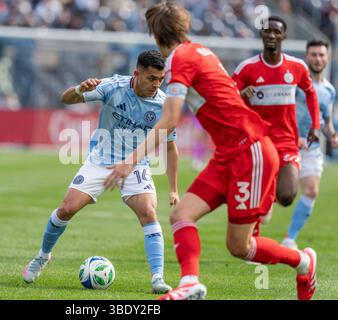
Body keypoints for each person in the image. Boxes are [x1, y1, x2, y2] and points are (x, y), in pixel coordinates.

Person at [104, 1, 317, 300]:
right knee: (181, 215)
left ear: (156, 34)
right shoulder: (199, 50)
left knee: (240, 246)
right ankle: (190, 282)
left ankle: (304, 261)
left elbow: (171, 117)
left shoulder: (182, 58)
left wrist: (130, 161)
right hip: (230, 153)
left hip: (250, 151)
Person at [22, 50, 179, 294]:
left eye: (160, 79)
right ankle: (42, 257)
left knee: (148, 213)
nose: (156, 84)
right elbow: (65, 98)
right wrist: (79, 90)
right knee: (66, 209)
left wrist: (174, 189)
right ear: (137, 73)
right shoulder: (112, 86)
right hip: (101, 161)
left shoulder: (163, 105)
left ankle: (157, 277)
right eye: (151, 78)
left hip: (136, 165)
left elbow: (171, 148)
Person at [232, 16, 321, 210]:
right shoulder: (247, 68)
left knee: (287, 195)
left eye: (276, 32)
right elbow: (227, 98)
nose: (271, 35)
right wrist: (241, 93)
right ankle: (255, 227)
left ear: (284, 36)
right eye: (267, 31)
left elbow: (311, 93)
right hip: (258, 143)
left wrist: (315, 125)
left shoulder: (296, 66)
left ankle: (263, 204)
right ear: (261, 34)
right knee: (254, 204)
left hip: (287, 142)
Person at [282, 40, 338, 249]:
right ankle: (251, 236)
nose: (318, 59)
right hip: (287, 144)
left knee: (311, 191)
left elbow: (325, 118)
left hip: (311, 149)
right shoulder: (296, 82)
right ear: (307, 57)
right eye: (313, 55)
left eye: (321, 55)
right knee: (279, 195)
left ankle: (290, 239)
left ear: (327, 58)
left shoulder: (329, 90)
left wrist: (332, 134)